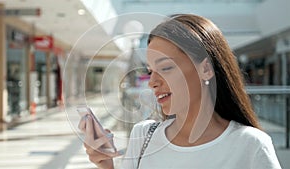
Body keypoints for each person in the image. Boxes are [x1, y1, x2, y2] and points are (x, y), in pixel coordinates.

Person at [79, 14, 282, 169]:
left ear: (205, 69)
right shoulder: (143, 135)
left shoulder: (251, 145)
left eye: (166, 68)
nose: (152, 83)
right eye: (150, 71)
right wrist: (106, 165)